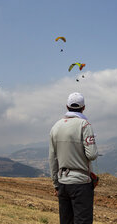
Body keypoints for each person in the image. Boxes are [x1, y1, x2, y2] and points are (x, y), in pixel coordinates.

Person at [49, 92, 98, 224]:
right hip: (81, 184)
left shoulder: (55, 127)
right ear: (84, 108)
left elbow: (52, 159)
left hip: (63, 183)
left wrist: (56, 184)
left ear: (67, 106)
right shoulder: (85, 125)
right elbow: (92, 155)